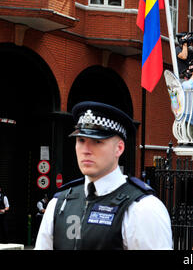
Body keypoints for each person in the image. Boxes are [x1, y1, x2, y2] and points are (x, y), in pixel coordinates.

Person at [35, 101, 173, 250]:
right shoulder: (59, 203)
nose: (85, 150)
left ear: (119, 148)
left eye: (97, 141)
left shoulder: (142, 209)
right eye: (81, 140)